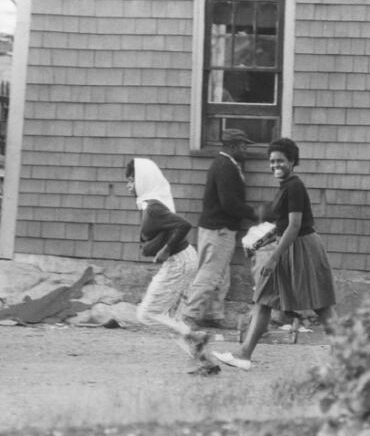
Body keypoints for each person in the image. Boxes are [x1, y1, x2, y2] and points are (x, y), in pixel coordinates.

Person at [213, 138, 337, 370]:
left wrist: (272, 257)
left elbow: (294, 225)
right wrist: (260, 242)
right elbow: (281, 226)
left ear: (292, 161)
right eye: (272, 162)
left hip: (304, 248)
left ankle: (344, 357)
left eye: (280, 161)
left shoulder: (294, 186)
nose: (275, 166)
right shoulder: (285, 187)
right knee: (264, 299)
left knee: (322, 305)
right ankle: (243, 355)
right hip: (287, 247)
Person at [125, 158, 210, 361]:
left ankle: (195, 336)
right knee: (172, 320)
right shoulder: (151, 205)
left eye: (130, 181)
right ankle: (204, 363)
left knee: (146, 314)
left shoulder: (154, 208)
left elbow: (184, 225)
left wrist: (165, 249)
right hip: (184, 259)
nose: (128, 186)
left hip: (179, 261)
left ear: (142, 180)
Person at [180, 128, 258, 329]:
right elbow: (229, 203)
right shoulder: (225, 167)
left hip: (217, 228)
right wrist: (255, 214)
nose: (245, 150)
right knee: (211, 273)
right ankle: (190, 315)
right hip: (219, 229)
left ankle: (212, 314)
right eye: (242, 146)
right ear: (232, 146)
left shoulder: (225, 164)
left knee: (220, 274)